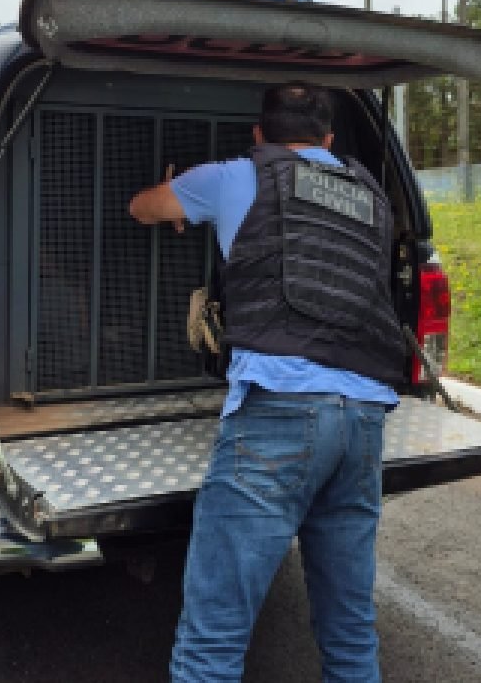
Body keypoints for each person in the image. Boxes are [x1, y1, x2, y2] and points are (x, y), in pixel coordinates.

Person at [129, 83, 408, 683]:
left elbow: (143, 207)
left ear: (259, 135)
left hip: (280, 410)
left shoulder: (236, 175)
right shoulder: (372, 195)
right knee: (351, 631)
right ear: (330, 142)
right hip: (363, 417)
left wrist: (179, 194)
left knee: (213, 642)